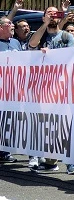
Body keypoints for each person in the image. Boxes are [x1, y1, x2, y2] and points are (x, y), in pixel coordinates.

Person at [28, 3, 74, 174]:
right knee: (48, 126)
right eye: (48, 14)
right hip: (43, 89)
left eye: (55, 14)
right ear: (44, 17)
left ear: (59, 17)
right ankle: (50, 161)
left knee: (66, 125)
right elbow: (32, 45)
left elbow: (71, 56)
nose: (52, 16)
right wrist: (44, 25)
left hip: (63, 88)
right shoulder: (40, 35)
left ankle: (72, 163)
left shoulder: (66, 36)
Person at [0, 15, 20, 164]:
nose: (13, 25)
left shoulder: (16, 43)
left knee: (8, 122)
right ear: (1, 27)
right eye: (9, 23)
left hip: (12, 91)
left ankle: (5, 151)